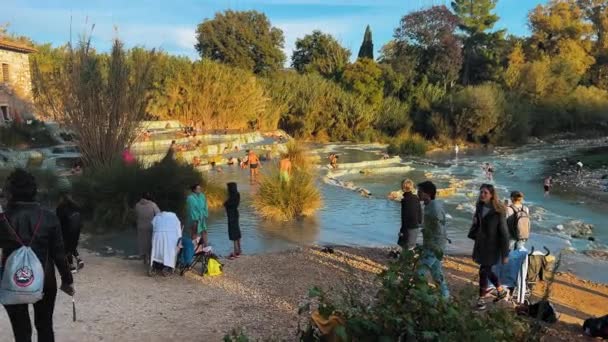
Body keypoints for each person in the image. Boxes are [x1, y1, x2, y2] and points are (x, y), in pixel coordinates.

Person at [0, 169, 75, 342]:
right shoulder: (49, 217)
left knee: (21, 332)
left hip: (12, 279)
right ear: (34, 191)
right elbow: (58, 254)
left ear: (10, 192)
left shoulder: (3, 220)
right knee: (45, 326)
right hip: (45, 280)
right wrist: (67, 280)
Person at [470, 184, 510, 310]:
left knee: (483, 271)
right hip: (481, 245)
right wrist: (475, 223)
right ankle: (500, 290)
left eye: (485, 192)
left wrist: (505, 254)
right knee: (485, 270)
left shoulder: (499, 211)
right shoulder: (479, 207)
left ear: (492, 195)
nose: (482, 194)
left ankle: (481, 300)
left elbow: (504, 234)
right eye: (481, 192)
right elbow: (478, 224)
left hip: (493, 247)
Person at [416, 181, 450, 299]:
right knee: (437, 273)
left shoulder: (435, 207)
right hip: (432, 245)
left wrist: (435, 247)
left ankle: (424, 298)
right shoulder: (428, 205)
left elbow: (440, 229)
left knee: (419, 273)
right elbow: (429, 225)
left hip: (434, 246)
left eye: (420, 191)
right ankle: (445, 297)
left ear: (428, 193)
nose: (417, 193)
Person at [56, 192, 84, 273]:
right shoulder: (76, 206)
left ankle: (72, 267)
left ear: (61, 198)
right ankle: (79, 259)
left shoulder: (60, 207)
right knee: (71, 245)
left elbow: (58, 221)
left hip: (67, 229)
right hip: (77, 229)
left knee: (66, 247)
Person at [149, 211, 182, 277]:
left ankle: (154, 265)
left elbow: (153, 227)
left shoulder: (157, 217)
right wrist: (179, 242)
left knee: (156, 251)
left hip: (157, 237)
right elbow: (179, 233)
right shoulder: (175, 218)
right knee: (171, 250)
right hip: (169, 237)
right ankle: (168, 266)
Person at [134, 192, 160, 264]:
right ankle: (150, 258)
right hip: (150, 227)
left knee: (143, 242)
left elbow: (136, 214)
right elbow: (159, 214)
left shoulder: (137, 205)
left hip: (140, 227)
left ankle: (145, 258)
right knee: (150, 242)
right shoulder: (153, 205)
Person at [398, 179, 422, 249]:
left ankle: (405, 258)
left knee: (404, 245)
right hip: (415, 225)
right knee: (411, 245)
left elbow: (404, 216)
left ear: (402, 188)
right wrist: (419, 222)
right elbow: (419, 211)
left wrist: (402, 229)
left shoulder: (404, 200)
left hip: (408, 227)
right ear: (412, 187)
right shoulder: (416, 198)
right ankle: (408, 257)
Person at [224, 182, 242, 259]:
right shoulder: (237, 195)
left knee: (233, 232)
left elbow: (226, 204)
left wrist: (225, 203)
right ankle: (239, 249)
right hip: (235, 214)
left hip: (231, 215)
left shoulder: (231, 197)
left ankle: (235, 251)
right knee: (237, 231)